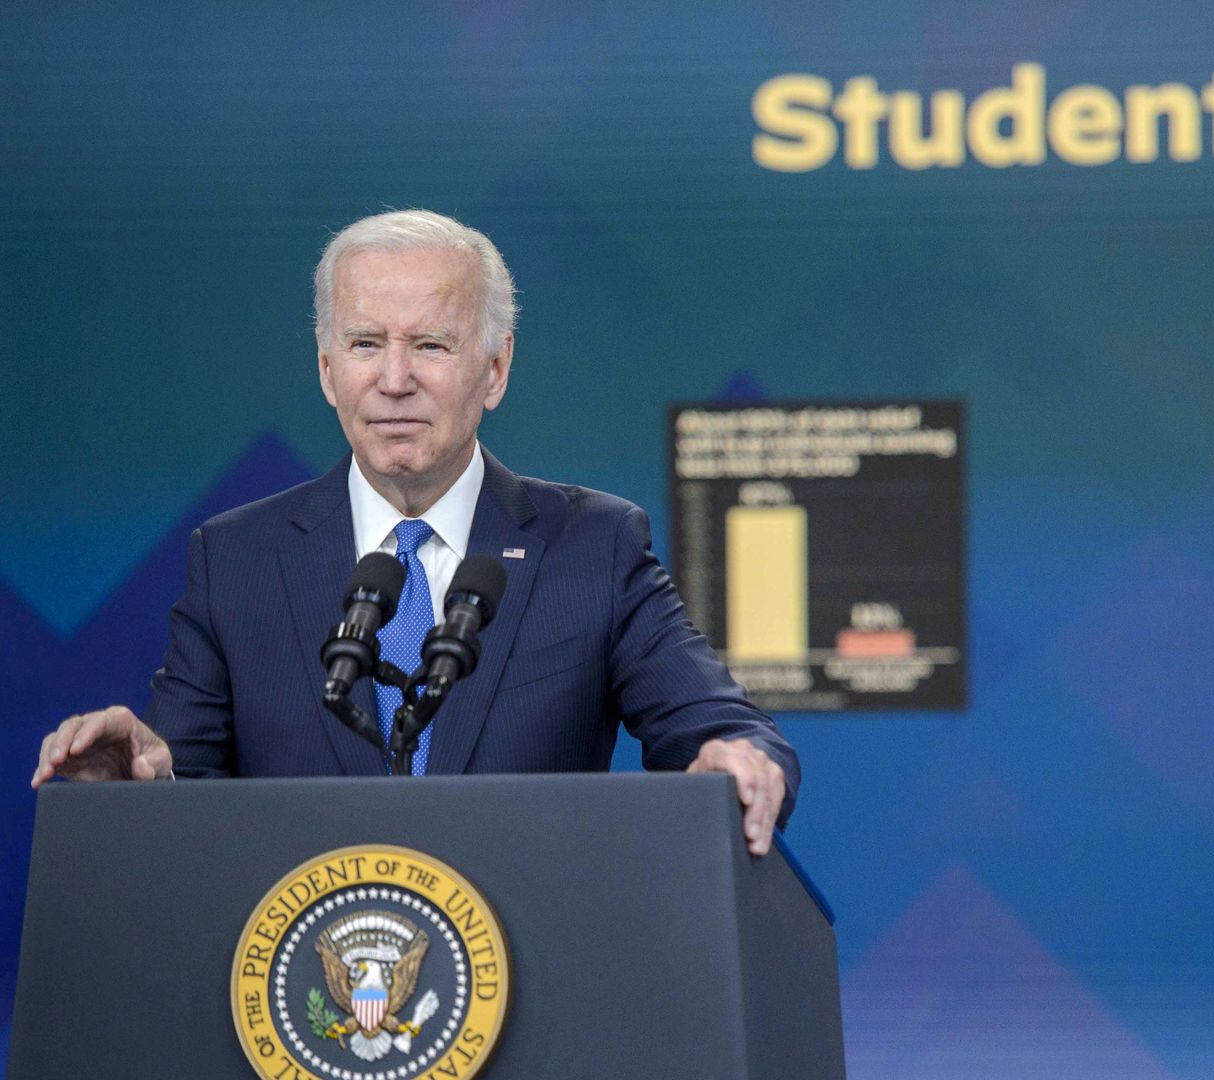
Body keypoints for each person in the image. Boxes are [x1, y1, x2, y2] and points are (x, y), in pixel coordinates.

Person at [31, 210, 796, 854]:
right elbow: (182, 799)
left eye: (430, 344)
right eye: (366, 344)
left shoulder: (592, 546)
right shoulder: (238, 559)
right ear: (329, 369)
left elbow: (723, 731)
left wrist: (741, 761)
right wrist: (138, 785)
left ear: (495, 370)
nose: (394, 379)